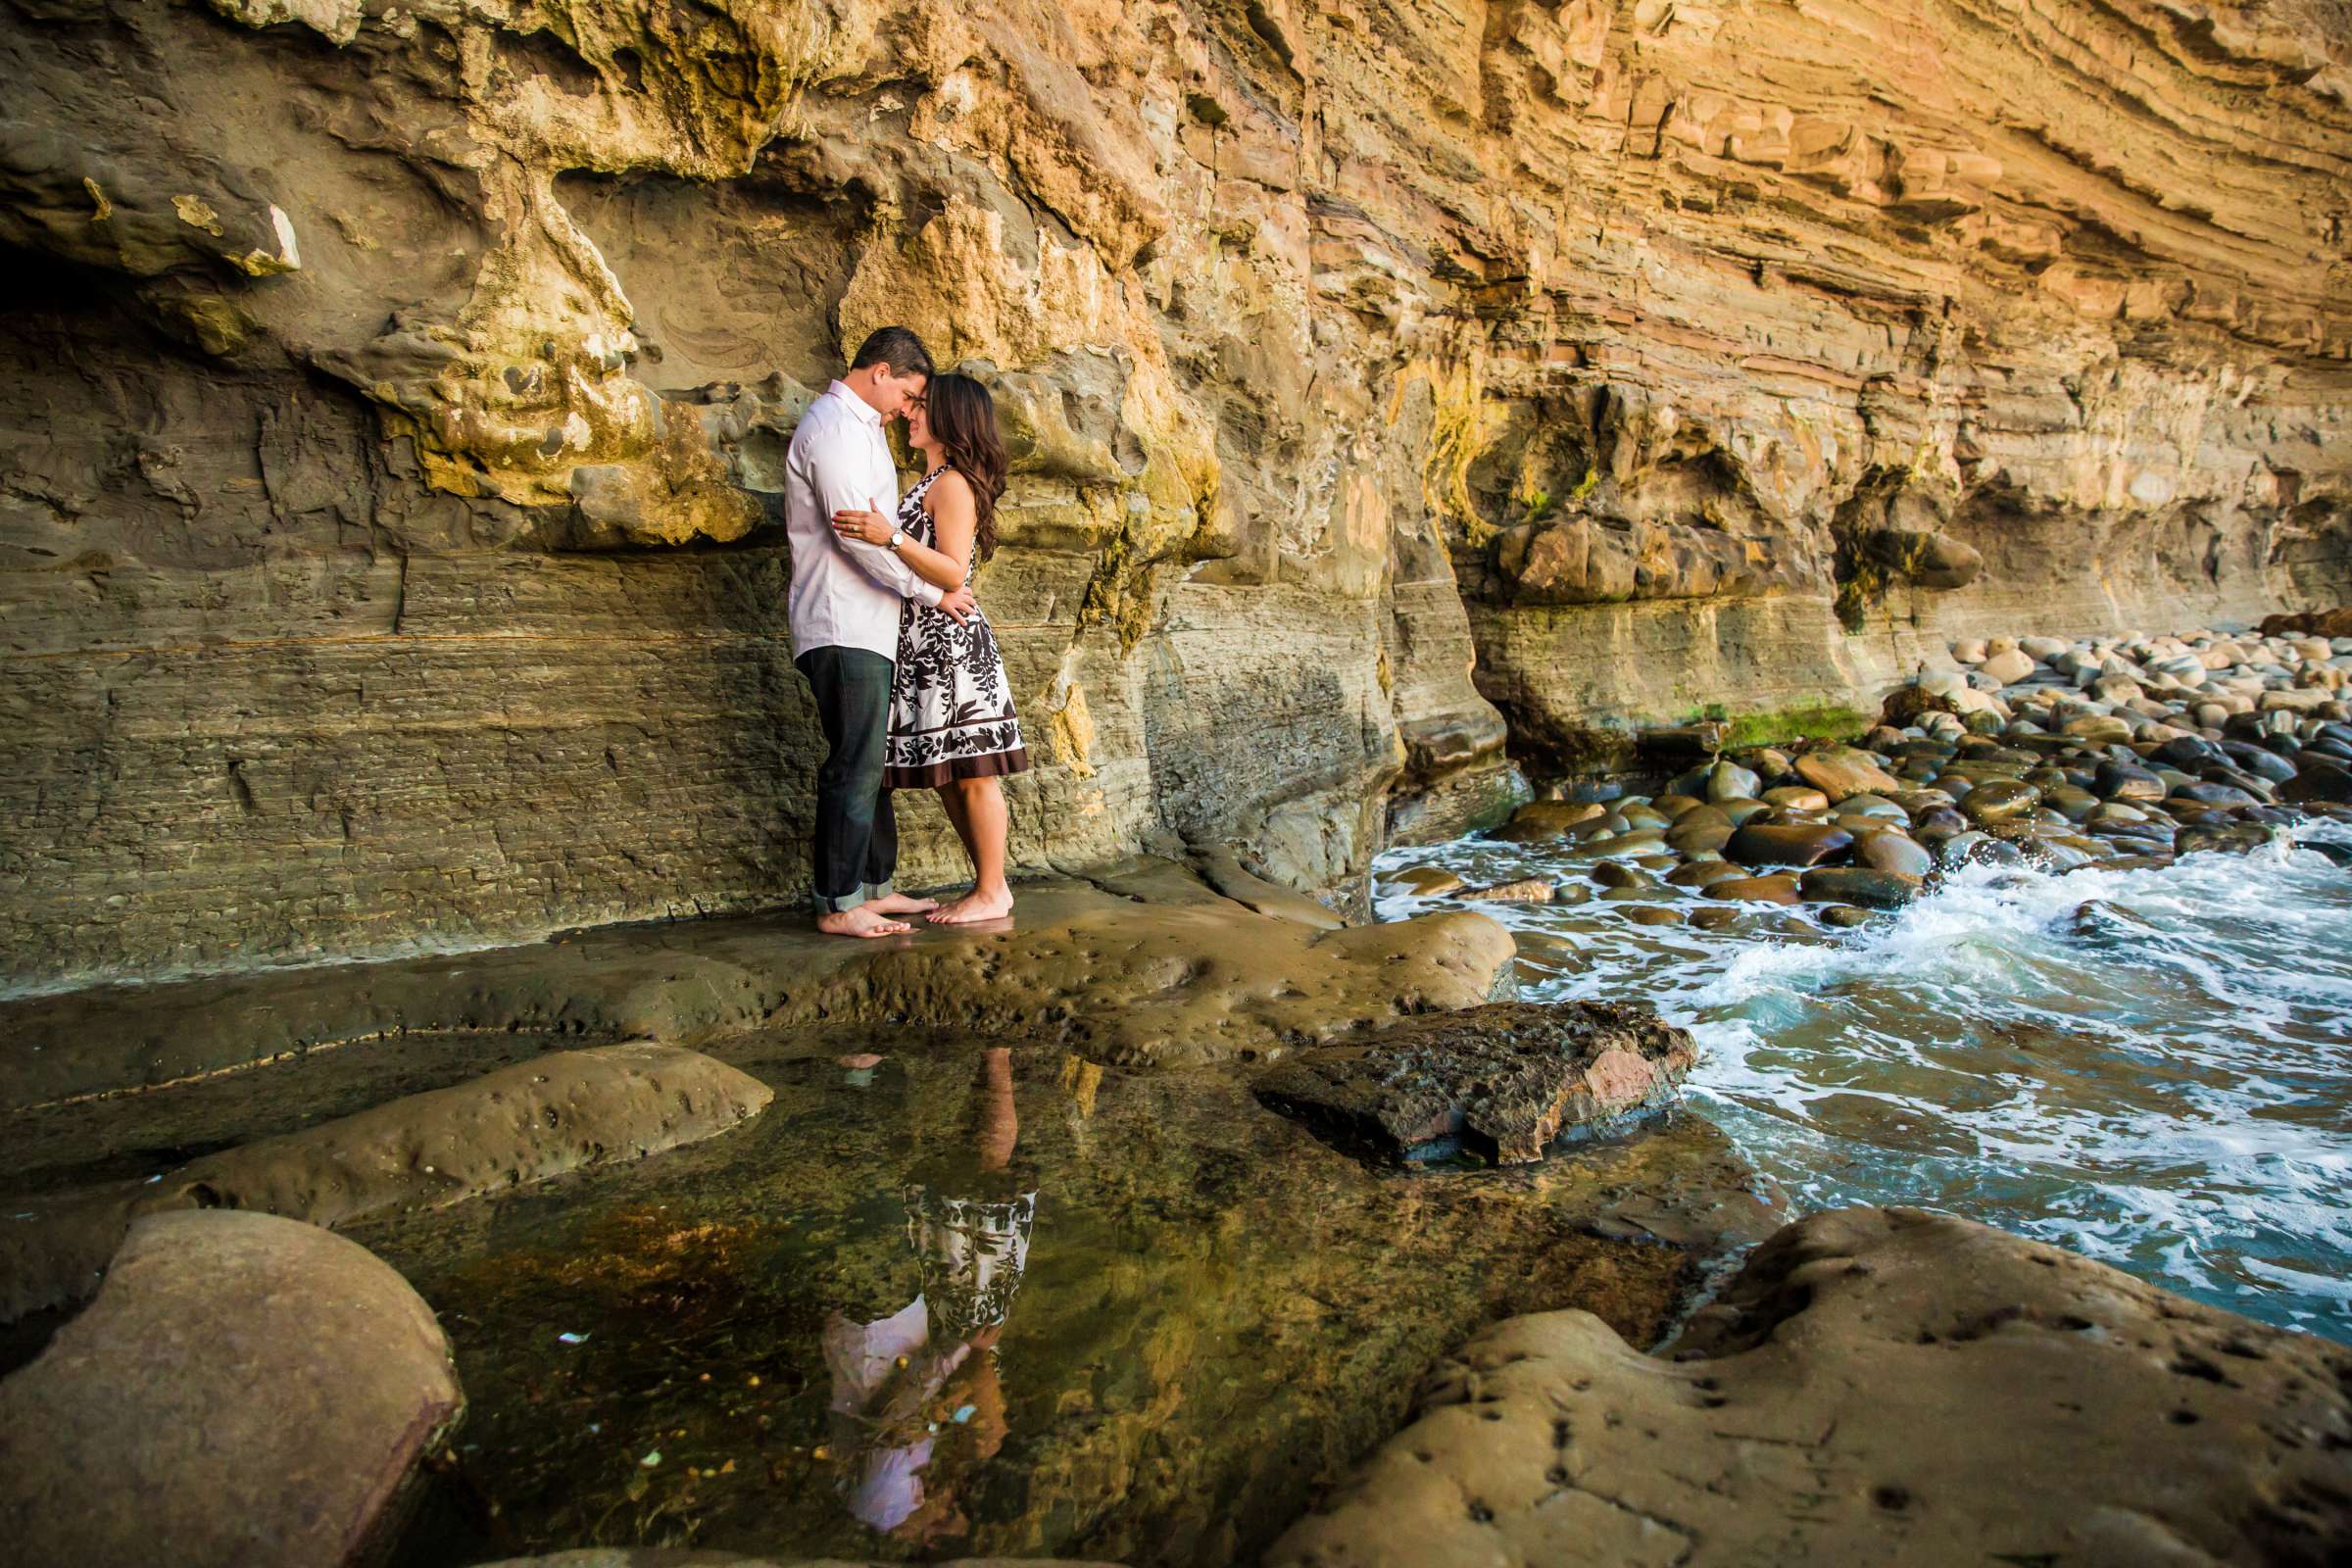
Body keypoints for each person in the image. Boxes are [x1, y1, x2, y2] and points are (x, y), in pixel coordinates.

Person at [785, 327, 978, 939]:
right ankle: (840, 904)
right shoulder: (835, 430)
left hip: (870, 623)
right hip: (840, 622)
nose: (908, 408)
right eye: (908, 392)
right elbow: (855, 537)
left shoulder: (862, 430)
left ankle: (874, 887)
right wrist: (931, 592)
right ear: (880, 373)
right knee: (854, 764)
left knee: (875, 763)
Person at [831, 372, 1030, 924]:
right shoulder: (930, 480)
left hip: (951, 644)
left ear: (950, 420)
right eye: (913, 402)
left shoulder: (953, 485)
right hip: (924, 646)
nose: (911, 413)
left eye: (922, 406)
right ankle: (989, 886)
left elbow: (953, 570)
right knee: (951, 777)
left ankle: (993, 891)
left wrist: (888, 536)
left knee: (974, 772)